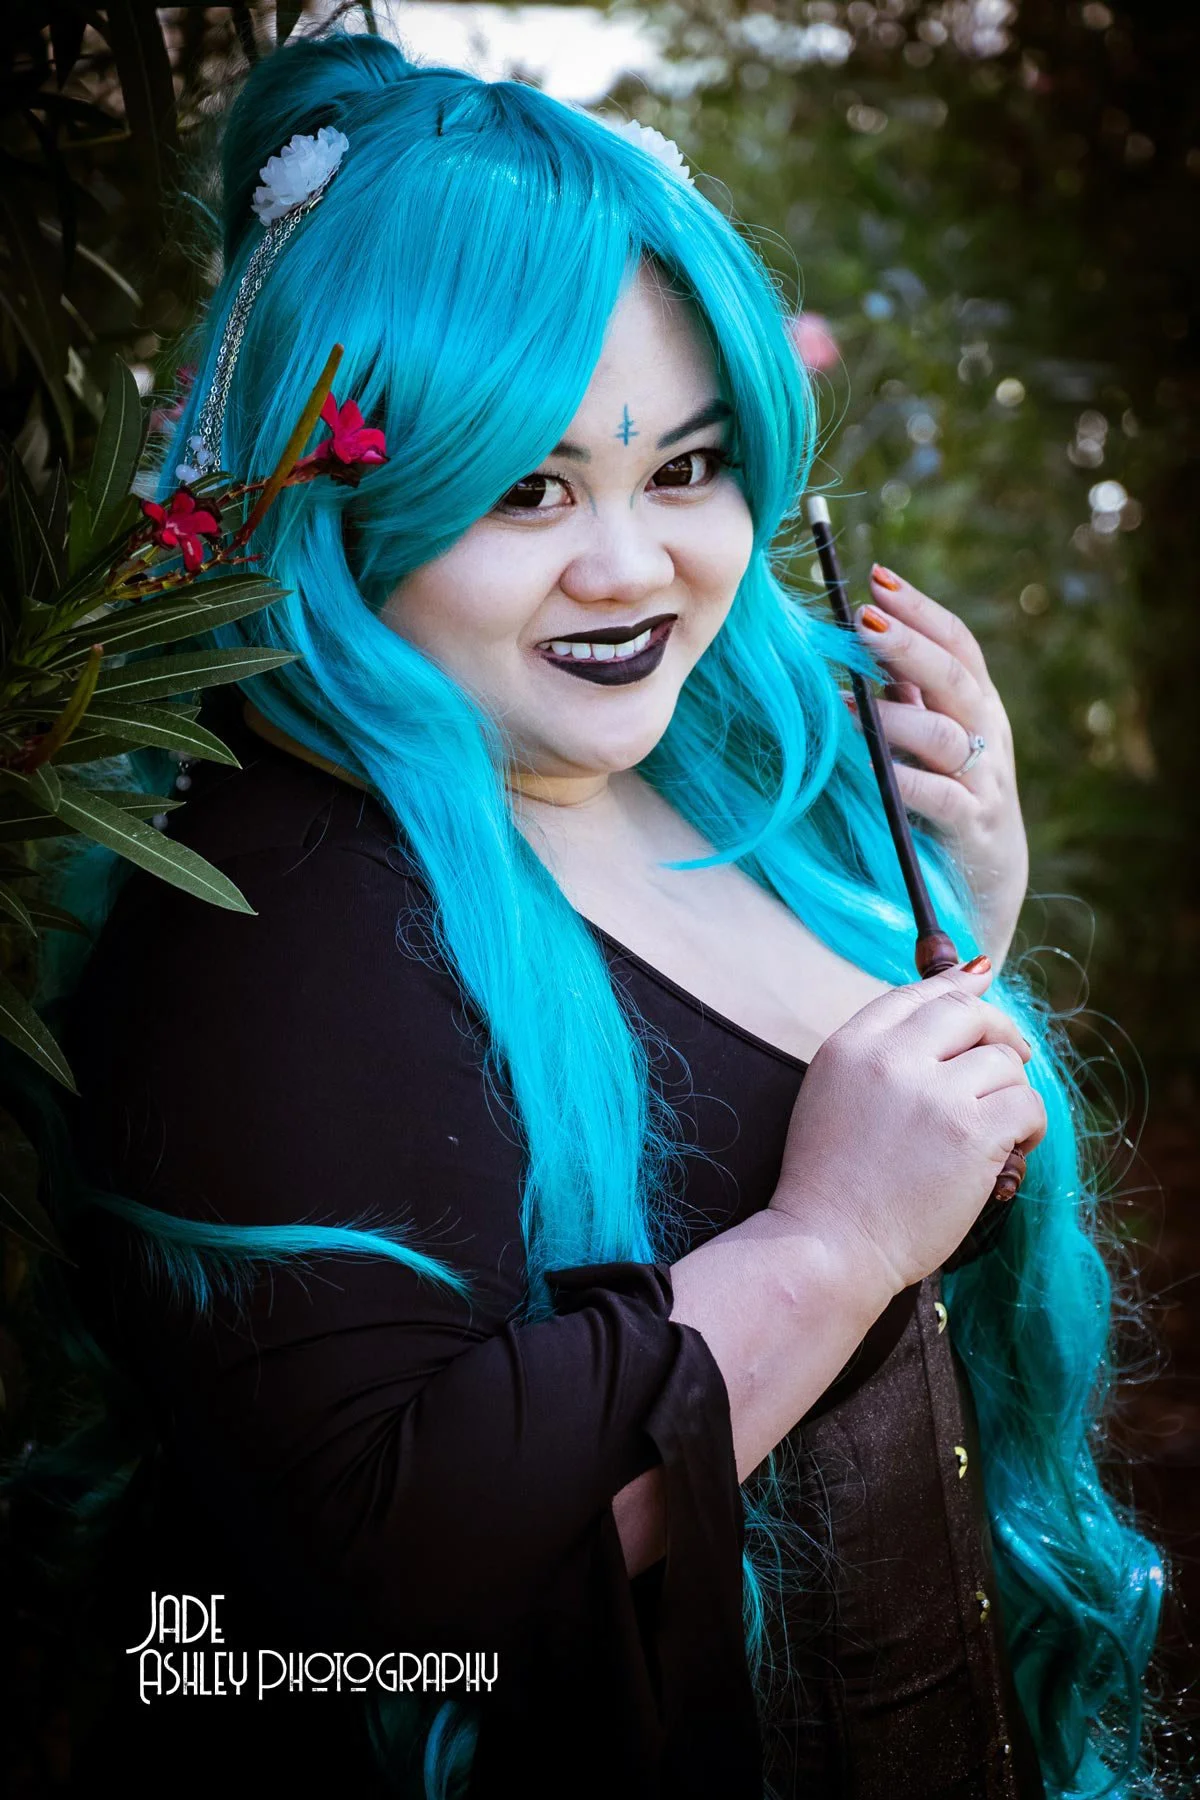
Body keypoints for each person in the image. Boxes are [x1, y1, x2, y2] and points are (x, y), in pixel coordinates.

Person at [18, 24, 1171, 1800]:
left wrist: (954, 926)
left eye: (686, 469)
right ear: (339, 504)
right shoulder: (266, 920)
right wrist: (823, 1249)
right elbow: (361, 1589)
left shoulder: (718, 760)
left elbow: (816, 1103)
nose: (637, 568)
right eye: (527, 488)